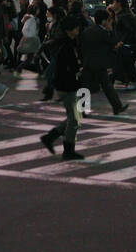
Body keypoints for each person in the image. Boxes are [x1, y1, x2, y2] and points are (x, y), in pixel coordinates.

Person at [40, 16, 86, 160]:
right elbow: (65, 67)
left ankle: (50, 137)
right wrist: (77, 69)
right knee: (74, 119)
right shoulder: (65, 45)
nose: (78, 30)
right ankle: (68, 150)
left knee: (75, 116)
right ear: (69, 30)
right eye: (76, 28)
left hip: (68, 83)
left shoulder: (67, 43)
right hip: (67, 84)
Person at [80, 8, 129, 116]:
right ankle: (117, 107)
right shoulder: (103, 32)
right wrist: (111, 30)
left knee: (85, 86)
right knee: (107, 86)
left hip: (88, 62)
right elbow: (113, 42)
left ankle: (82, 109)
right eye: (107, 20)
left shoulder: (87, 31)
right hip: (99, 63)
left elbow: (81, 47)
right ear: (103, 21)